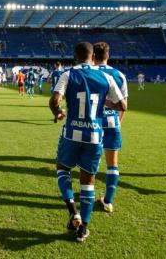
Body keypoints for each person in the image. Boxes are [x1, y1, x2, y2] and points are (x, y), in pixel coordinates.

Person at [49, 42, 127, 242]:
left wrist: (58, 113)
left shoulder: (68, 74)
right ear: (92, 57)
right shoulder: (107, 77)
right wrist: (104, 103)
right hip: (94, 136)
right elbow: (122, 105)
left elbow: (54, 100)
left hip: (71, 134)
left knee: (62, 169)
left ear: (75, 57)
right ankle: (84, 226)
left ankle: (72, 211)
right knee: (88, 181)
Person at [92, 42, 128, 213]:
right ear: (108, 55)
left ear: (93, 55)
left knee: (90, 161)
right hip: (112, 122)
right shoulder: (119, 75)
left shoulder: (88, 72)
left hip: (92, 123)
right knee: (112, 165)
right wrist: (118, 122)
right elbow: (123, 105)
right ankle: (108, 201)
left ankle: (87, 193)